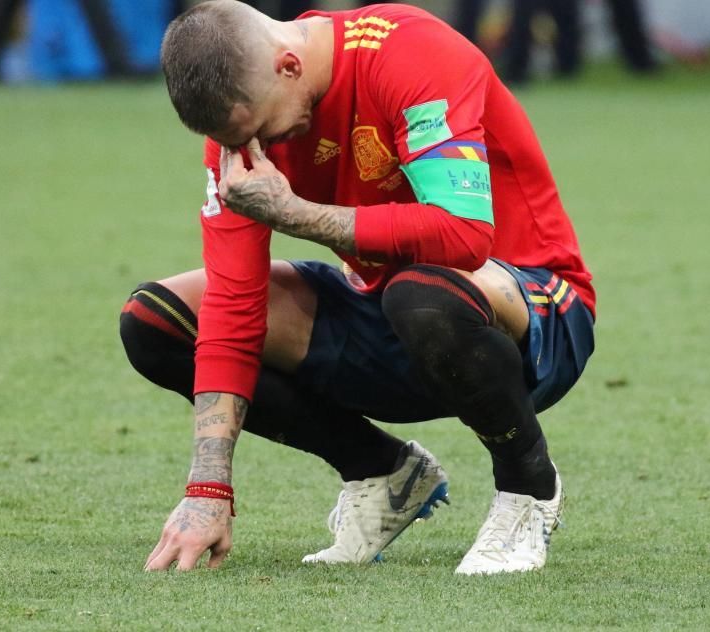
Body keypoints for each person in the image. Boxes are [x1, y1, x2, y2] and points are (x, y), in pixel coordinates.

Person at [121, 0, 595, 575]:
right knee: (156, 321)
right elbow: (233, 301)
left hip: (533, 315)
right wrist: (208, 489)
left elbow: (464, 235)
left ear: (289, 66)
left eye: (260, 130)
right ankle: (383, 472)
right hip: (389, 313)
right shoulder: (241, 132)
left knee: (420, 295)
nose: (252, 149)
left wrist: (296, 215)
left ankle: (527, 488)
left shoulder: (410, 52)